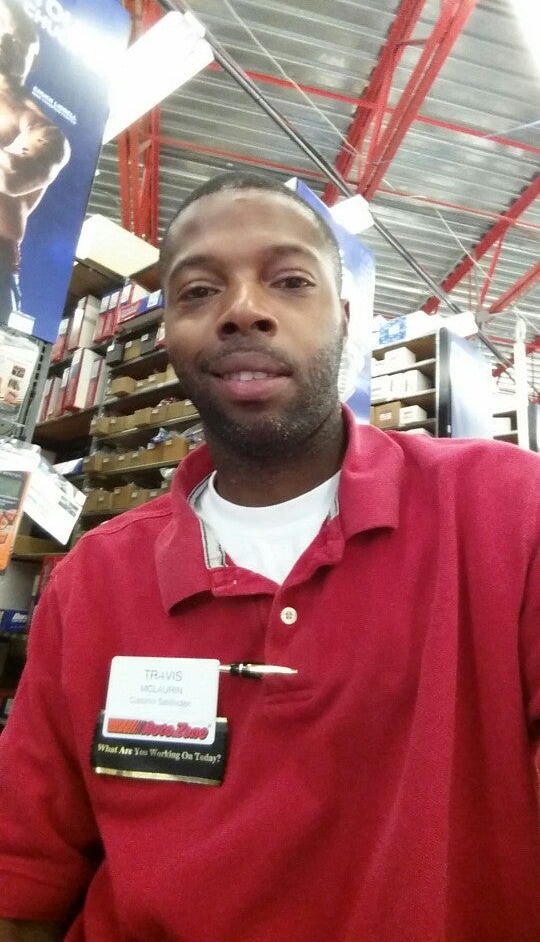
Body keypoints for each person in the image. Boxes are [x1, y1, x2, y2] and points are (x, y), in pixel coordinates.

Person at [0, 170, 539, 942]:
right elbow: (26, 874)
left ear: (345, 320)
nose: (243, 310)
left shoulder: (507, 512)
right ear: (168, 335)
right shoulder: (94, 579)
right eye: (198, 292)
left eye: (289, 281)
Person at [0, 0, 70, 325]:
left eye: (15, 39)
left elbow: (12, 175)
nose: (4, 44)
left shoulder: (42, 129)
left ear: (33, 56)